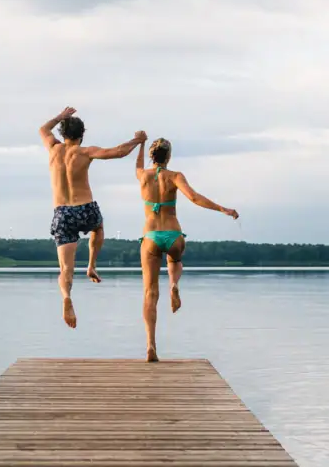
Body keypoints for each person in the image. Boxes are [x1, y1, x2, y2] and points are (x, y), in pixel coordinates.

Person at [39, 106, 145, 329]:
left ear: (62, 134)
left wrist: (60, 116)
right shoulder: (85, 152)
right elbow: (118, 151)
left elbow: (43, 128)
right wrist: (137, 140)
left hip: (62, 213)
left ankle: (66, 297)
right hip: (84, 208)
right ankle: (91, 265)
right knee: (98, 227)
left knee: (65, 270)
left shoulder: (53, 148)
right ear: (81, 135)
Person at [136, 136, 238, 362]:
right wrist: (222, 208)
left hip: (150, 236)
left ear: (152, 156)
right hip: (173, 235)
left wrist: (141, 143)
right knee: (175, 259)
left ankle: (151, 345)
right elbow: (193, 197)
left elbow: (138, 165)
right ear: (169, 157)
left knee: (150, 294)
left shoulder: (142, 176)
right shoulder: (175, 176)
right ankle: (174, 284)